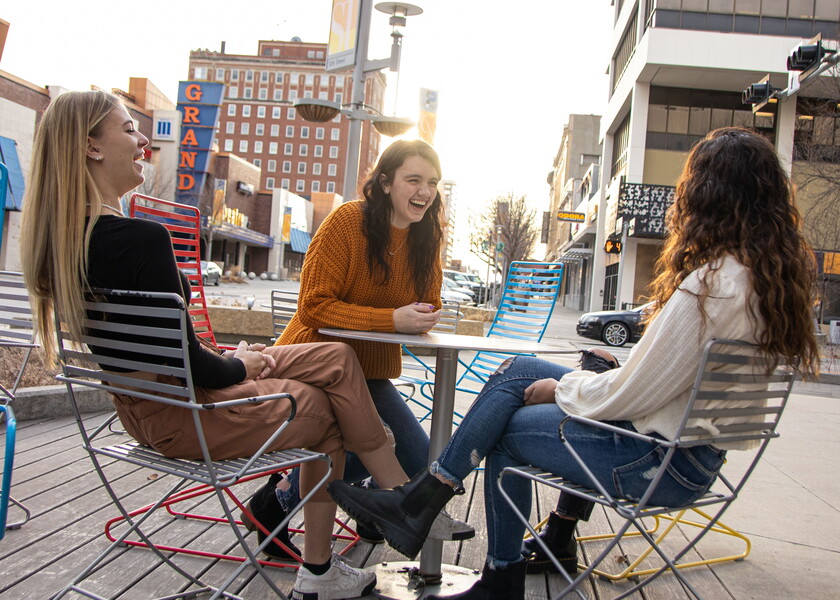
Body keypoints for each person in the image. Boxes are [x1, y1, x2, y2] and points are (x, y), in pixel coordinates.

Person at [324, 127, 820, 600]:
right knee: (520, 368)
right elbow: (657, 381)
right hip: (693, 456)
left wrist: (568, 390)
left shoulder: (709, 286)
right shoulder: (766, 282)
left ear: (707, 197)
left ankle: (484, 562)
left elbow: (634, 394)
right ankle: (427, 498)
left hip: (653, 460)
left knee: (509, 431)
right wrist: (583, 380)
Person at [19, 90, 435, 600]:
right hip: (188, 414)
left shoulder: (67, 243)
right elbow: (201, 372)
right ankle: (338, 557)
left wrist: (236, 363)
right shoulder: (139, 239)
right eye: (129, 129)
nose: (142, 138)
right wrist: (241, 365)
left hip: (153, 407)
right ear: (92, 147)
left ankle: (394, 497)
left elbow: (177, 357)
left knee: (337, 356)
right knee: (330, 411)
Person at [275, 139, 472, 542]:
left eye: (432, 182)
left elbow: (426, 302)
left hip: (368, 374)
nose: (425, 192)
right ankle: (276, 503)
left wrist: (421, 314)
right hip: (313, 365)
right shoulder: (348, 222)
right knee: (384, 447)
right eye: (413, 180)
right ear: (385, 182)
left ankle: (366, 505)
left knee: (419, 459)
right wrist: (392, 320)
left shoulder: (426, 237)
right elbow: (313, 306)